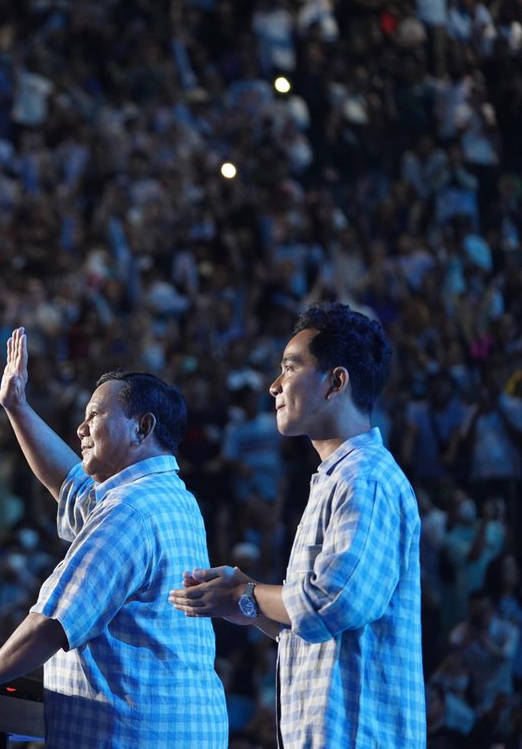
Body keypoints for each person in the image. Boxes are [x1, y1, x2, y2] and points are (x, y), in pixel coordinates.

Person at [0, 327, 226, 748]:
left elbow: (53, 622)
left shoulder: (130, 510)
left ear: (142, 427)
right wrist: (17, 406)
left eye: (94, 416)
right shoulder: (167, 496)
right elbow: (68, 483)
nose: (80, 428)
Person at [169, 302, 425, 747]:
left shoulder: (365, 479)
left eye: (290, 368)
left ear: (336, 382)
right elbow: (318, 629)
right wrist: (246, 607)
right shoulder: (336, 480)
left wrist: (247, 593)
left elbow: (334, 604)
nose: (274, 386)